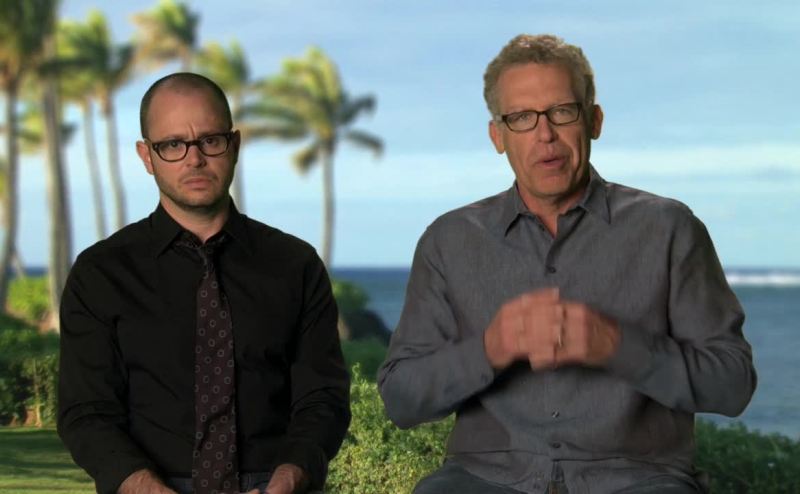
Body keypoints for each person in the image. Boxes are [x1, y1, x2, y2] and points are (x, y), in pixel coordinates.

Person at [377, 34, 756, 494]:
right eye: (521, 118)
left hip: (637, 480)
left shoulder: (670, 229)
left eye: (562, 112)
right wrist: (490, 350)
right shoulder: (448, 240)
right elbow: (401, 399)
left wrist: (617, 345)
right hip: (483, 479)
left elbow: (732, 384)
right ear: (498, 136)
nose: (545, 135)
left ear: (594, 121)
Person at [58, 72, 350, 494]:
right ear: (146, 156)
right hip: (147, 485)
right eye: (173, 144)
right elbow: (86, 412)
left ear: (234, 145)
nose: (194, 159)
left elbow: (323, 399)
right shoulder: (100, 273)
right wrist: (148, 489)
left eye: (210, 140)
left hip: (272, 484)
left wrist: (288, 480)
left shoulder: (295, 264)